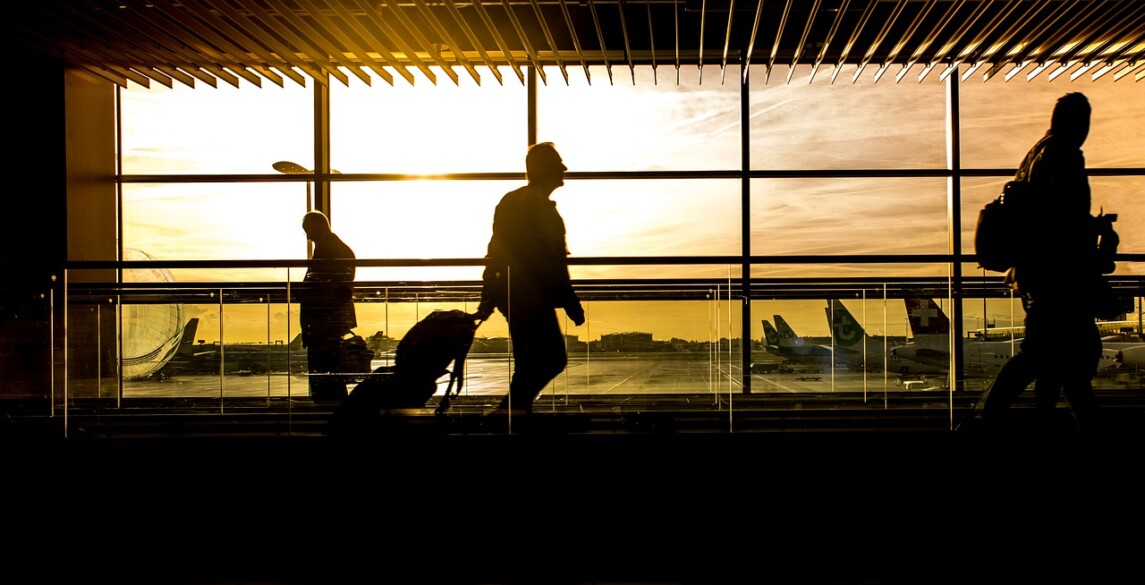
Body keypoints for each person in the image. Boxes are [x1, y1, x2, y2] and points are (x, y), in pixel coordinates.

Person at [964, 92, 1106, 432]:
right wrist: (1092, 230)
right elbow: (1063, 220)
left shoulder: (1035, 155)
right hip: (1057, 275)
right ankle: (991, 416)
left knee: (1051, 355)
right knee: (1054, 355)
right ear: (1079, 122)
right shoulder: (1065, 155)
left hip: (1034, 273)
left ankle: (1005, 416)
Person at [474, 142, 586, 414]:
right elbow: (552, 262)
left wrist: (489, 296)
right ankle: (510, 413)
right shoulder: (536, 207)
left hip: (517, 294)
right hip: (529, 296)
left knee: (531, 361)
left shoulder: (517, 201)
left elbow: (497, 250)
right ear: (544, 169)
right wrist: (571, 302)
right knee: (551, 358)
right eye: (558, 162)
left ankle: (514, 414)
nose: (564, 168)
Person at [299, 210, 357, 401]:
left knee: (324, 376)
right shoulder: (340, 248)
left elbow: (324, 287)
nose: (307, 235)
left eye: (308, 230)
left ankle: (328, 414)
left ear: (318, 226)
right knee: (332, 375)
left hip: (323, 321)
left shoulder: (328, 249)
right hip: (330, 321)